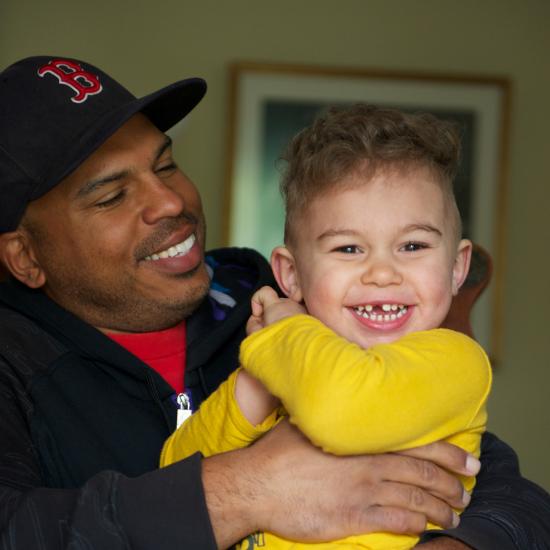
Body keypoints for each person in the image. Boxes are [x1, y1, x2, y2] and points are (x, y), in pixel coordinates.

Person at [0, 56, 548, 550]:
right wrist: (243, 490)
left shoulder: (273, 302)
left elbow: (492, 476)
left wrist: (471, 541)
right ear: (25, 256)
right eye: (112, 195)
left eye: (165, 165)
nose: (169, 201)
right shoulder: (16, 366)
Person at [160, 104, 492, 549]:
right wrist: (255, 386)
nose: (381, 273)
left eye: (412, 245)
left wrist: (280, 331)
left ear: (457, 267)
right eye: (349, 248)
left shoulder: (456, 362)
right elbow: (176, 476)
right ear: (291, 275)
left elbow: (338, 412)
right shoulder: (289, 364)